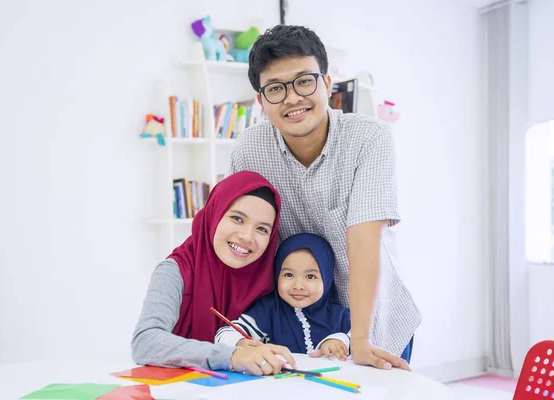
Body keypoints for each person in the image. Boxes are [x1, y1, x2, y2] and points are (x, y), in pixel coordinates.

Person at [229, 25, 421, 370]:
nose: (292, 98)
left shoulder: (369, 137)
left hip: (374, 324)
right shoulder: (249, 149)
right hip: (298, 324)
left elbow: (364, 240)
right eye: (275, 88)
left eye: (304, 81)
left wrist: (360, 339)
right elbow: (247, 240)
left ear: (326, 84)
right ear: (261, 100)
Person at [131, 171, 297, 376]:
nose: (247, 236)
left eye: (262, 229)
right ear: (214, 213)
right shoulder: (175, 270)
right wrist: (231, 356)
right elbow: (145, 342)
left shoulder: (271, 281)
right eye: (237, 218)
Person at [215, 233, 351, 361]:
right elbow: (224, 334)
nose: (298, 285)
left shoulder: (340, 316)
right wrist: (241, 343)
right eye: (288, 275)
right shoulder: (269, 310)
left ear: (327, 280)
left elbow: (364, 338)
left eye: (310, 276)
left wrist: (340, 340)